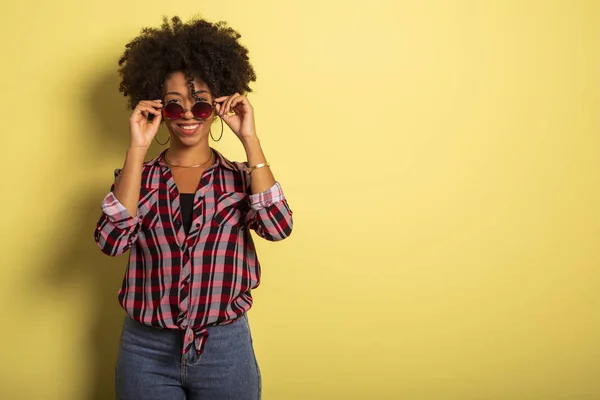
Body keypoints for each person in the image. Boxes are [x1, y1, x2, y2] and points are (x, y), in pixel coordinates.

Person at [93, 15, 293, 400]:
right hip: (145, 349)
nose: (187, 114)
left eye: (201, 105)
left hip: (224, 348)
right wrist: (137, 147)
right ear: (156, 106)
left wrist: (249, 137)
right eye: (174, 105)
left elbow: (277, 225)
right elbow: (111, 241)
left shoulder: (239, 178)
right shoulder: (139, 178)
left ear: (218, 106)